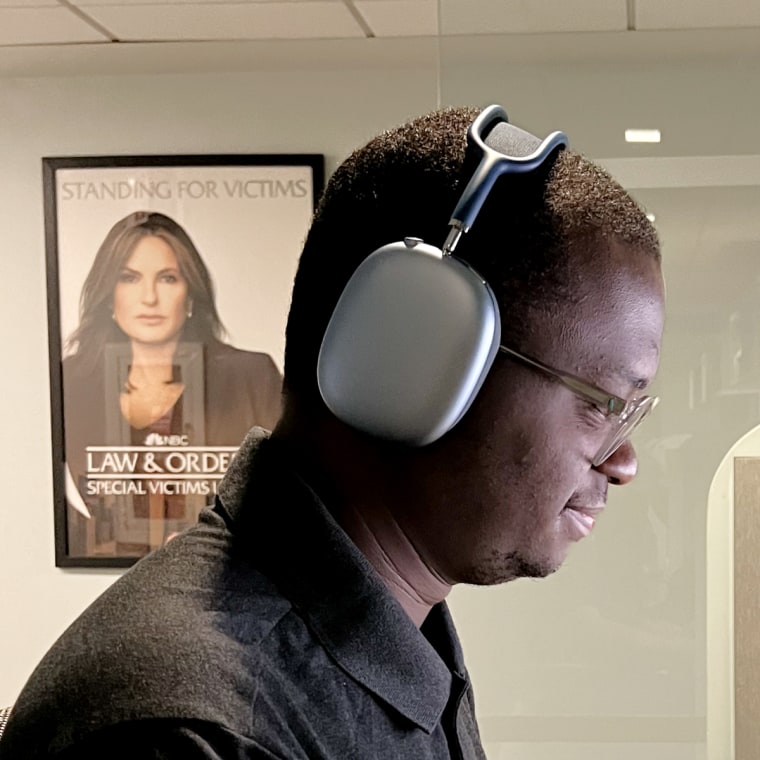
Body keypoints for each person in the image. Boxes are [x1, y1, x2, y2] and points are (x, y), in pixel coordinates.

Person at [2, 105, 665, 758]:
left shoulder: (395, 636)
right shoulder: (196, 732)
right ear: (413, 360)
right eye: (605, 402)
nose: (625, 461)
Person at [61, 211, 283, 558]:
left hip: (227, 581)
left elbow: (291, 493)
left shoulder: (251, 376)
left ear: (191, 294)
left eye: (167, 278)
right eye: (129, 278)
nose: (149, 297)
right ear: (109, 296)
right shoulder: (71, 383)